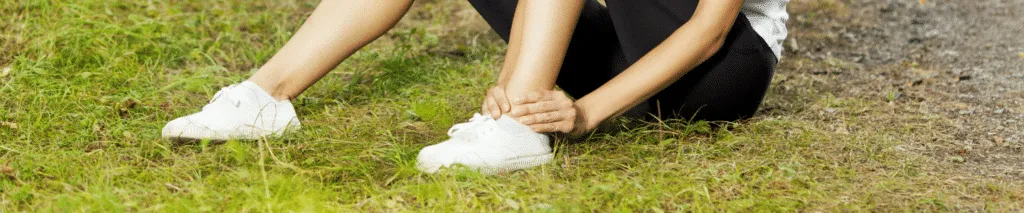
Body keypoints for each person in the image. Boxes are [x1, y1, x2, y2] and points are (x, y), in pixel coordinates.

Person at [161, 0, 789, 174]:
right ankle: (267, 96)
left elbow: (709, 30)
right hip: (627, 49)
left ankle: (518, 130)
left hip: (720, 70)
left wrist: (585, 115)